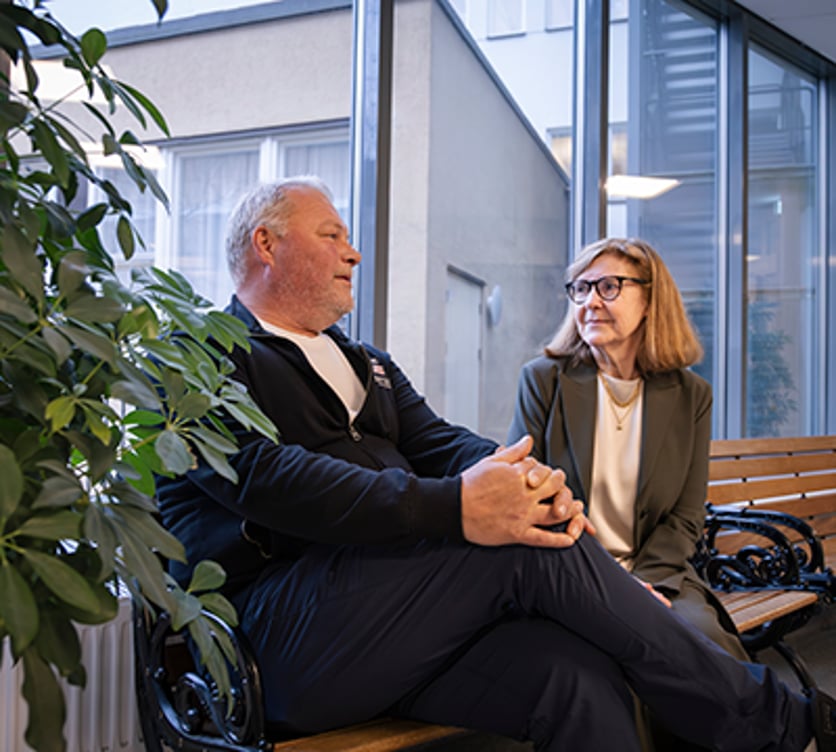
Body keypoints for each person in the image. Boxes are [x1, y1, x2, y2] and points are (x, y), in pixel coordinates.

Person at [156, 176, 835, 752]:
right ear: (266, 244)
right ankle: (781, 723)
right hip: (280, 641)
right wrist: (456, 506)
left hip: (399, 624)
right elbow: (267, 478)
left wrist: (528, 481)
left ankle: (750, 708)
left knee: (578, 681)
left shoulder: (366, 361)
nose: (352, 252)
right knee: (517, 543)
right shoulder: (200, 353)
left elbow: (444, 442)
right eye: (331, 235)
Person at [507, 237, 748, 751]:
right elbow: (524, 497)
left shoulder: (691, 396)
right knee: (605, 666)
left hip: (659, 573)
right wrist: (605, 585)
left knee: (707, 649)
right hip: (571, 574)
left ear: (651, 300)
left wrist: (644, 584)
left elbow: (685, 516)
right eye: (581, 288)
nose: (591, 301)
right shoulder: (544, 381)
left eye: (609, 287)